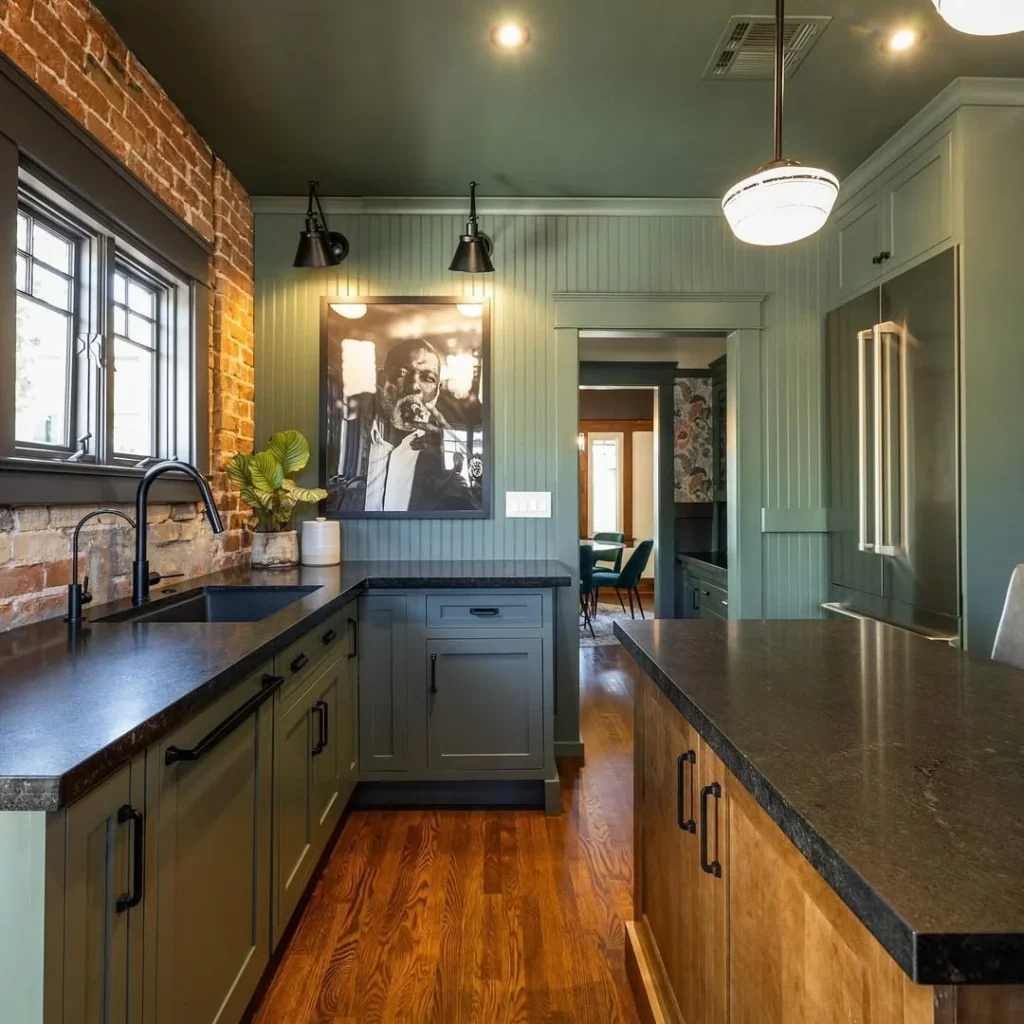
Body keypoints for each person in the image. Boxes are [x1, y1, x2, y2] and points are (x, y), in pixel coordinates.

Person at [332, 338, 477, 512]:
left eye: (427, 378)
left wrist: (455, 452)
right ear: (381, 379)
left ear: (437, 391)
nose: (414, 385)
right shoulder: (346, 430)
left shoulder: (444, 446)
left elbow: (477, 502)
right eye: (401, 373)